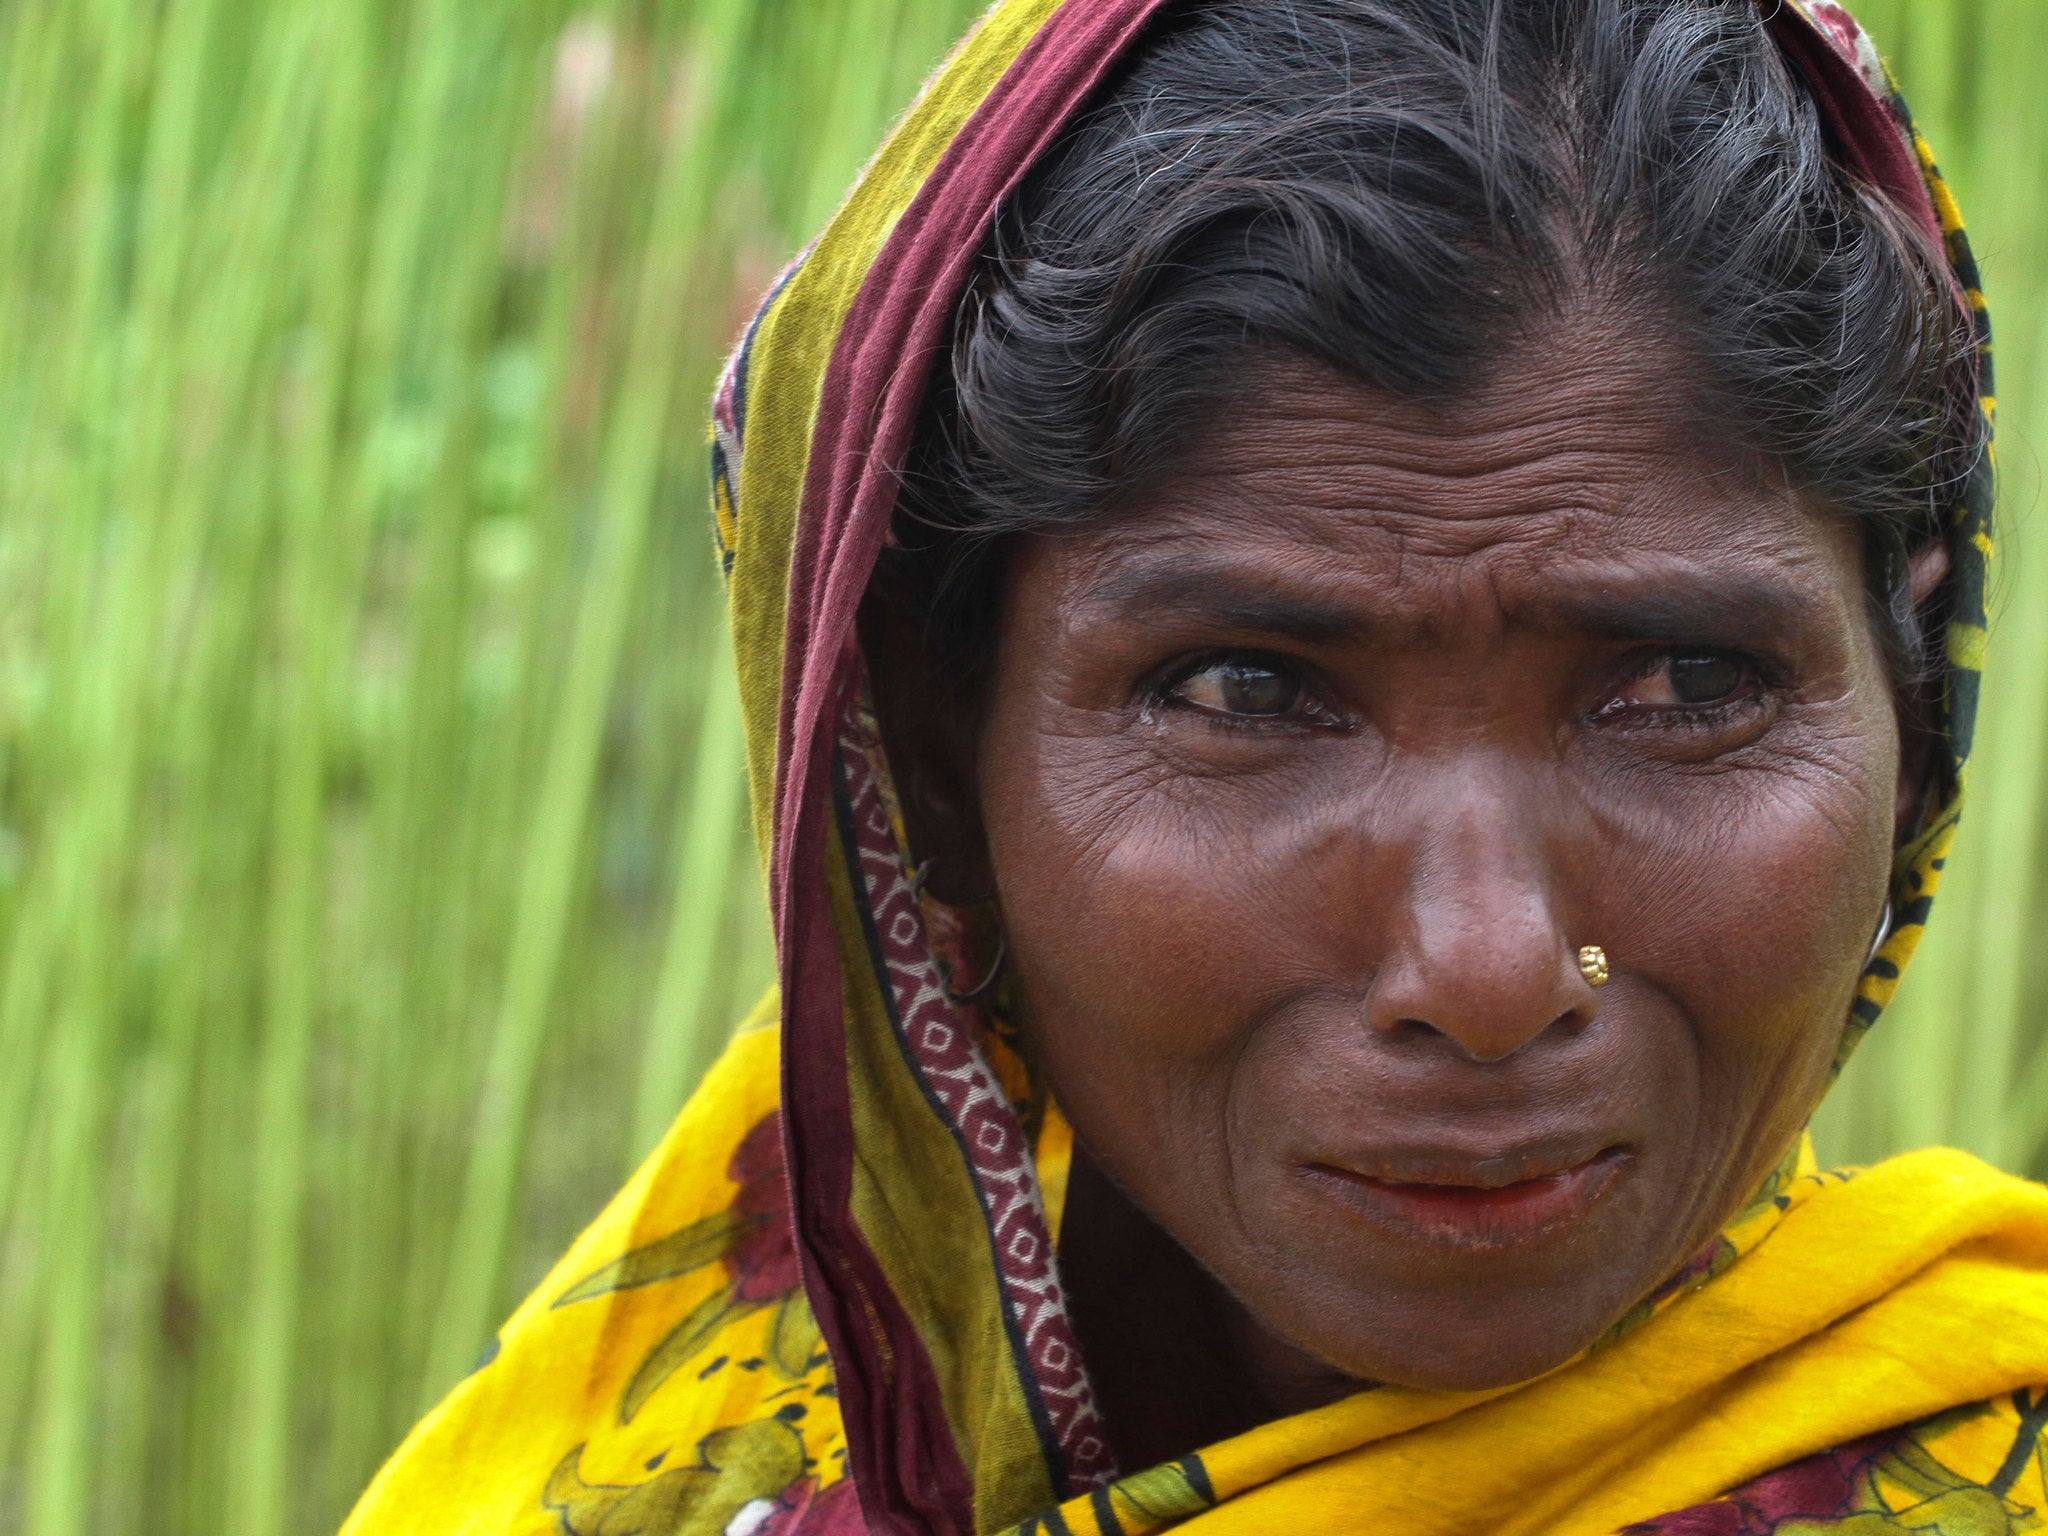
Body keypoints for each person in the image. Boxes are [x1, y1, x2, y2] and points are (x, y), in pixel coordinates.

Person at [341, 1, 2048, 1532]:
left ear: (1911, 714)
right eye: (1249, 690)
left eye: (1687, 685)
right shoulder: (693, 1439)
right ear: (932, 757)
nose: (1491, 971)